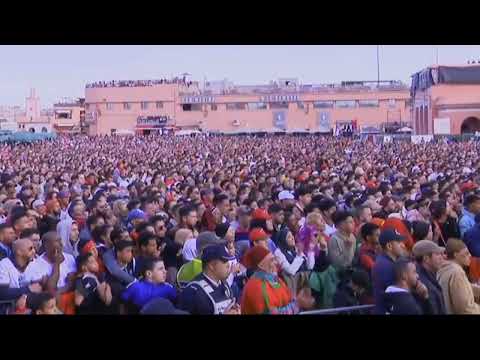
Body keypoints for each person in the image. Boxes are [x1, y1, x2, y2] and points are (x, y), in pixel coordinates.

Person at [240, 245, 313, 314]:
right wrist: (297, 304)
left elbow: (288, 299)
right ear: (261, 265)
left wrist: (299, 301)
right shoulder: (256, 287)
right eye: (272, 260)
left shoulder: (274, 279)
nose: (276, 263)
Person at [178, 244, 239, 315]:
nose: (228, 265)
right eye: (224, 261)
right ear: (212, 266)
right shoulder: (193, 291)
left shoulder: (224, 284)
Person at [437, 238, 480, 314]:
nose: (470, 255)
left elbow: (466, 286)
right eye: (466, 253)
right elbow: (465, 309)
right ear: (456, 255)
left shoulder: (444, 269)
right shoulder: (457, 273)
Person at [371, 229, 407, 314]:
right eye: (399, 243)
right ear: (389, 246)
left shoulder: (389, 262)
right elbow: (392, 295)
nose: (403, 246)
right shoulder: (383, 265)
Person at [0, 239, 42, 308]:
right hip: (7, 306)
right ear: (19, 252)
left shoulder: (34, 263)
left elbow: (38, 288)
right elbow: (2, 292)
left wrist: (25, 296)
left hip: (29, 303)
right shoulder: (4, 265)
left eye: (34, 248)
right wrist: (27, 289)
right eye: (30, 249)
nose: (34, 251)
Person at [412, 240, 446, 314]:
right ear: (426, 259)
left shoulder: (427, 275)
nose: (442, 257)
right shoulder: (424, 284)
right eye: (437, 254)